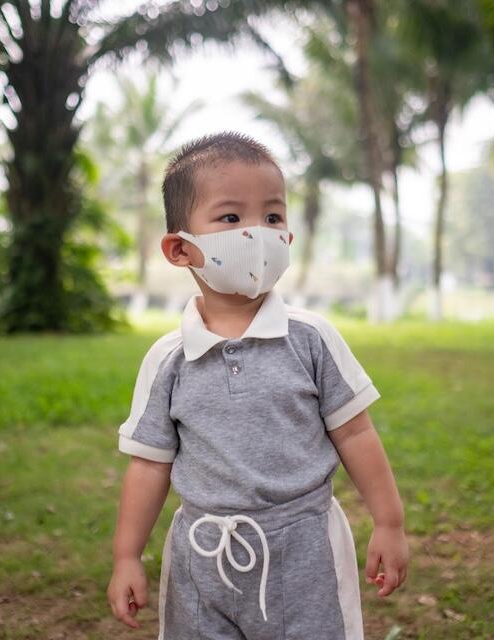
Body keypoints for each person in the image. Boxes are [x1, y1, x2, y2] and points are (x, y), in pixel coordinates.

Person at [107, 131, 409, 639]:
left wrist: (390, 522)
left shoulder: (311, 339)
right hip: (201, 557)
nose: (259, 233)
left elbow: (356, 434)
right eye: (231, 217)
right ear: (181, 249)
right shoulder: (169, 360)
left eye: (272, 217)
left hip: (305, 550)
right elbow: (148, 464)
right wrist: (126, 556)